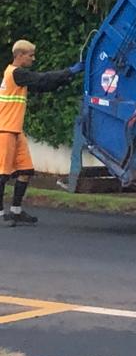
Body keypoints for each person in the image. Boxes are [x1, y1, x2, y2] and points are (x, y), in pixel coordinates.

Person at [0, 39, 83, 226]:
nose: (33, 59)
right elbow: (41, 79)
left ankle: (16, 210)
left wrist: (66, 78)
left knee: (26, 170)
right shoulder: (16, 73)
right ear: (20, 56)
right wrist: (69, 71)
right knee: (2, 175)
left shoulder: (18, 76)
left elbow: (42, 86)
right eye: (30, 55)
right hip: (5, 130)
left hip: (15, 130)